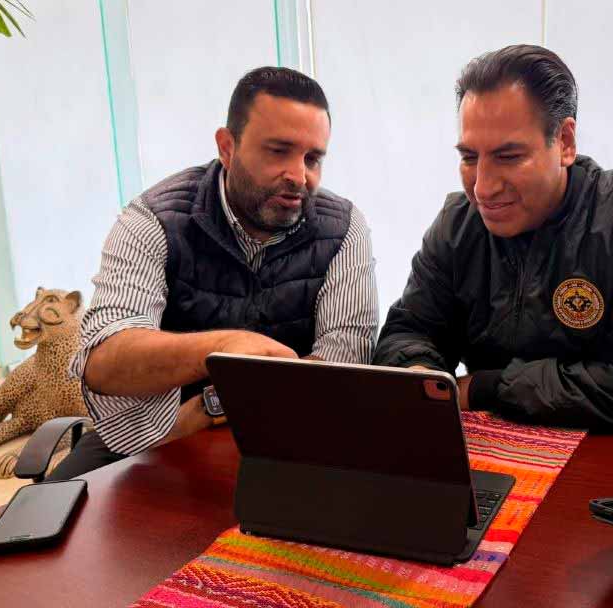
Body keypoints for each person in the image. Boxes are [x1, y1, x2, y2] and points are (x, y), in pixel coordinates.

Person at [49, 67, 378, 479]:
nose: (299, 176)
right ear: (227, 147)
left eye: (312, 159)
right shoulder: (153, 220)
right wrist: (224, 348)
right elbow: (103, 361)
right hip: (155, 437)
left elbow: (342, 364)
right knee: (44, 511)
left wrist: (214, 405)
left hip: (288, 441)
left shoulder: (344, 228)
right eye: (278, 151)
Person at [373, 45, 613, 429]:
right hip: (492, 445)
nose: (483, 188)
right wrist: (419, 374)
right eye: (469, 157)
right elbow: (407, 333)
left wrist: (486, 388)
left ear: (565, 142)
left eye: (508, 157)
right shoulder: (458, 224)